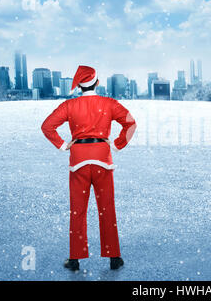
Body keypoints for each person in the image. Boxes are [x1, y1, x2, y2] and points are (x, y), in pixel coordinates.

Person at [41, 65, 137, 271]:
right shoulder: (109, 103)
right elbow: (131, 123)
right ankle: (114, 257)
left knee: (78, 211)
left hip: (78, 162)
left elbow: (47, 126)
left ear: (79, 87)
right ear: (97, 83)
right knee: (107, 209)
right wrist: (118, 144)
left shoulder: (69, 105)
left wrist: (62, 144)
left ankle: (75, 259)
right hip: (103, 159)